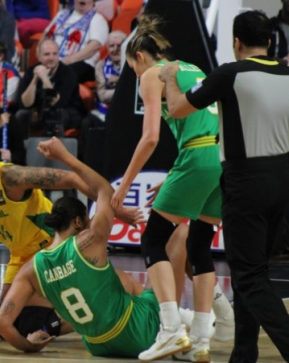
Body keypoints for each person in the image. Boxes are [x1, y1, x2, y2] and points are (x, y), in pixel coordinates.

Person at [158, 10, 289, 363]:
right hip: (284, 181)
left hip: (247, 181)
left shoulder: (230, 73)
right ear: (271, 41)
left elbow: (178, 108)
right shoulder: (288, 72)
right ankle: (243, 354)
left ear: (236, 43)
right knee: (256, 269)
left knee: (247, 277)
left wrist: (170, 76)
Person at [110, 15, 233, 362]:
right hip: (218, 159)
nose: (135, 76)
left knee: (152, 239)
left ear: (139, 57)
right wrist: (182, 173)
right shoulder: (192, 67)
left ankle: (169, 330)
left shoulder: (153, 74)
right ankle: (200, 341)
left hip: (196, 159)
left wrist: (126, 184)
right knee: (199, 245)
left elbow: (150, 137)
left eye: (132, 68)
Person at [0, 137, 166, 358]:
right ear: (77, 223)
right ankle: (182, 321)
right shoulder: (90, 241)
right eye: (87, 220)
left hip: (97, 346)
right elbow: (104, 188)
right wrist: (65, 156)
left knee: (118, 281)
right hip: (136, 334)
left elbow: (1, 322)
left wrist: (31, 347)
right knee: (169, 239)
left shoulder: (31, 268)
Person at [0, 135, 143, 308]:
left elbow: (72, 178)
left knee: (25, 306)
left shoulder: (11, 177)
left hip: (51, 243)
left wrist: (118, 211)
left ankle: (131, 292)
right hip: (20, 254)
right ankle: (66, 305)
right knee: (7, 315)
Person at [16, 38, 85, 137]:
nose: (51, 58)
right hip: (41, 112)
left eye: (55, 54)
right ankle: (23, 150)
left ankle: (55, 151)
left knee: (56, 116)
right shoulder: (31, 71)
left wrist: (44, 78)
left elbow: (58, 103)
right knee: (21, 115)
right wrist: (35, 79)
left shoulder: (68, 73)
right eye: (47, 54)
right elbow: (25, 104)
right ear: (38, 56)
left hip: (68, 112)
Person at [42, 0, 109, 83]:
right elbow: (45, 35)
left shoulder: (98, 19)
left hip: (81, 63)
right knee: (32, 72)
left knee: (61, 75)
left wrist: (68, 60)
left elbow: (94, 46)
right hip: (53, 60)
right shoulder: (62, 14)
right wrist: (42, 56)